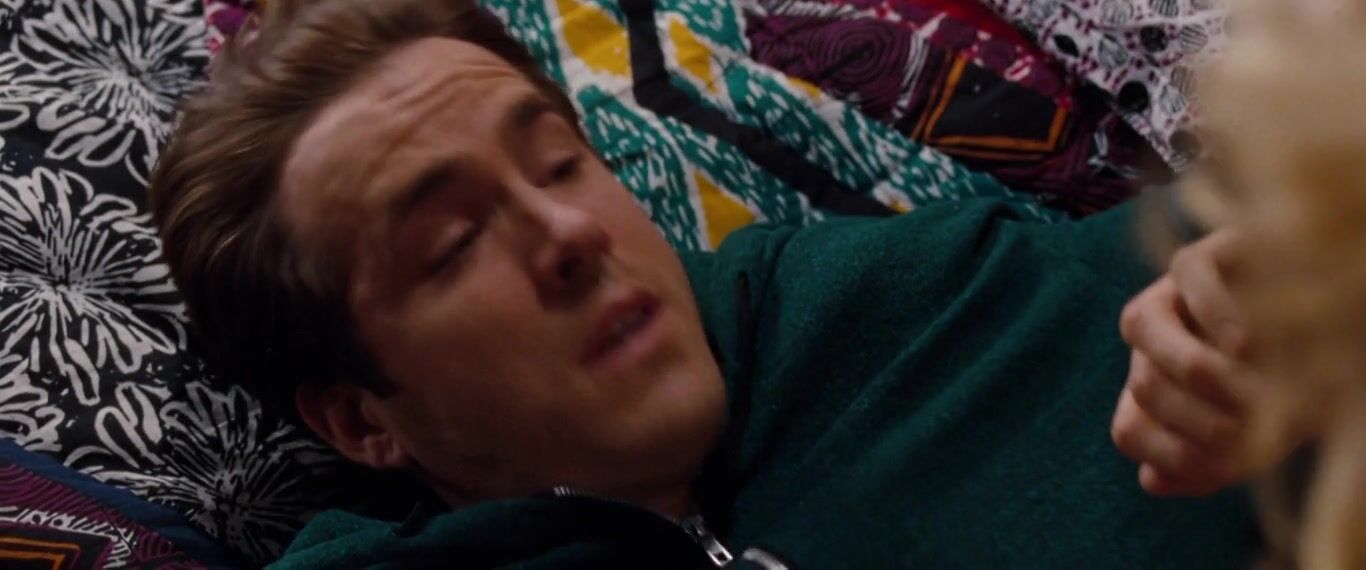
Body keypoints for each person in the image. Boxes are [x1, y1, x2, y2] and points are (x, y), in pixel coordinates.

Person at [148, 0, 1271, 567]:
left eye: (559, 164)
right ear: (360, 419)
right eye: (449, 245)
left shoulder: (945, 297)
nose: (564, 231)